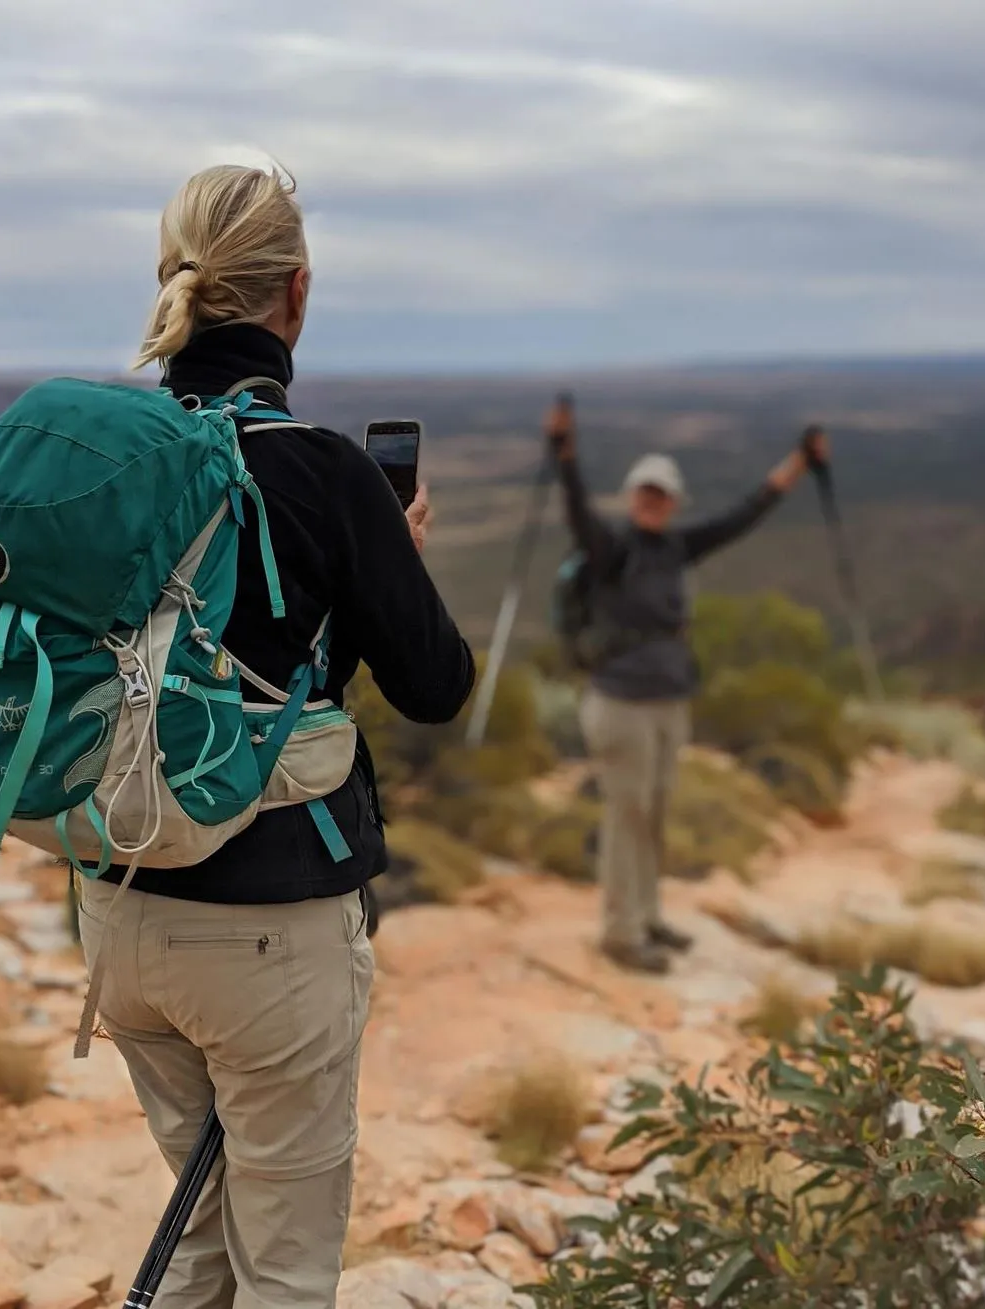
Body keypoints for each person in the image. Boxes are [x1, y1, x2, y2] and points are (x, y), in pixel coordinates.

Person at [76, 165, 474, 1309]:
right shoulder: (325, 471)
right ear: (294, 294)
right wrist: (388, 551)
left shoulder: (108, 461)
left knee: (195, 1246)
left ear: (175, 282)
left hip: (115, 901)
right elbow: (436, 683)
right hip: (269, 927)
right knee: (285, 1272)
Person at [548, 401, 827, 974]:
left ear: (674, 502)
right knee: (626, 819)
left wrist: (799, 460)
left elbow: (747, 512)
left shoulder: (677, 547)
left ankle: (648, 917)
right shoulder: (611, 550)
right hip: (620, 704)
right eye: (645, 491)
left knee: (654, 814)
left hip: (669, 702)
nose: (653, 500)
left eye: (662, 493)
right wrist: (566, 453)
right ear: (632, 496)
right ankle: (621, 934)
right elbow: (576, 511)